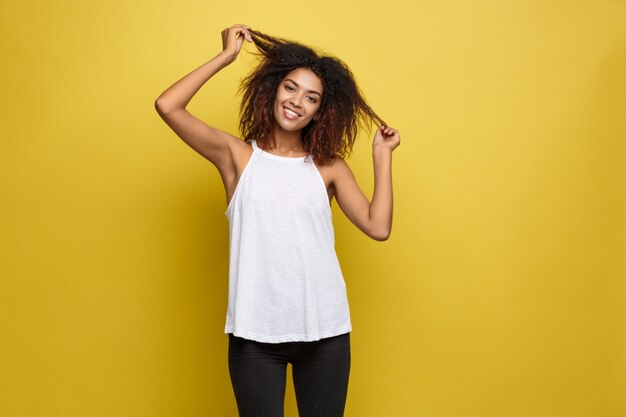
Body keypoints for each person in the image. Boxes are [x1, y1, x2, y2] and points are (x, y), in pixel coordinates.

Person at [155, 23, 400, 417]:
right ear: (272, 89)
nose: (297, 102)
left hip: (325, 333)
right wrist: (226, 57)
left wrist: (382, 157)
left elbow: (378, 226)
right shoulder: (236, 157)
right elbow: (167, 106)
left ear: (322, 111)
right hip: (254, 335)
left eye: (311, 97)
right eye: (290, 87)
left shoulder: (329, 168)